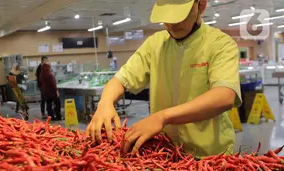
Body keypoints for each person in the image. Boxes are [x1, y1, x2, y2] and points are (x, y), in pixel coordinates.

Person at [86, 0, 241, 157]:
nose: (171, 25)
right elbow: (120, 80)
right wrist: (105, 103)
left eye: (180, 16)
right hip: (164, 152)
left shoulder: (221, 44)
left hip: (209, 155)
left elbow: (224, 96)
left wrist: (163, 117)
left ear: (200, 5)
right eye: (167, 17)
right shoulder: (155, 44)